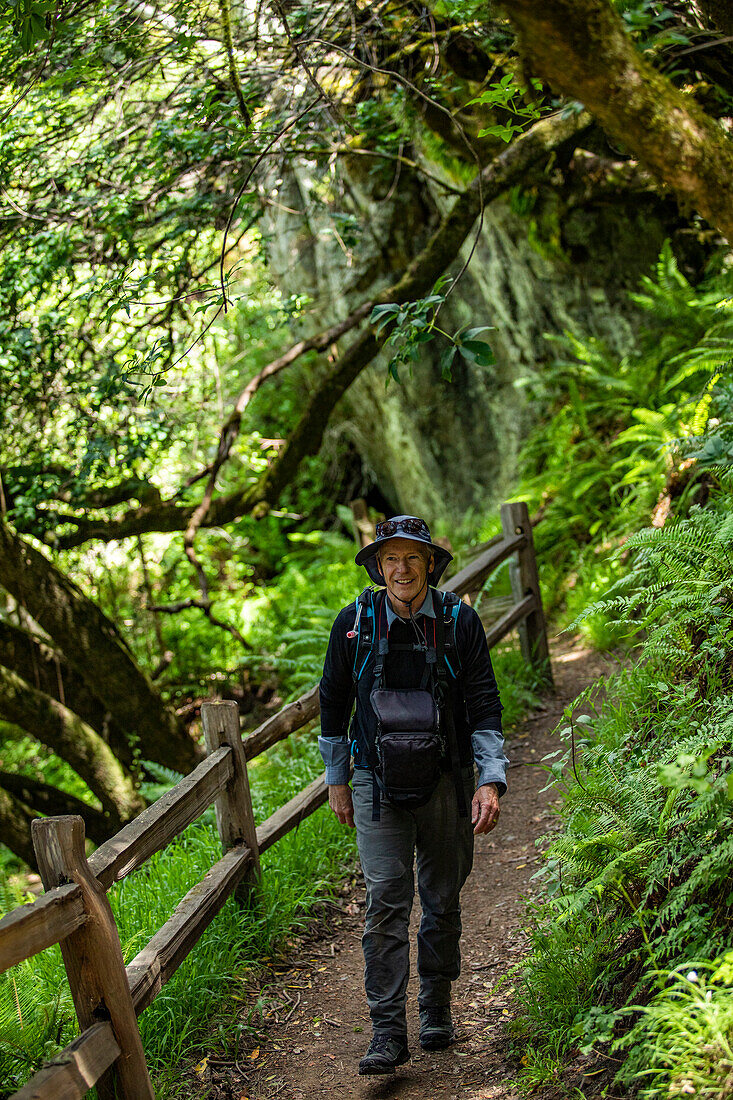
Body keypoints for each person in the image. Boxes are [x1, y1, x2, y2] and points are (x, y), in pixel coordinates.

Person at [319, 515, 506, 1075]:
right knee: (385, 902)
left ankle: (436, 1009)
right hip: (376, 785)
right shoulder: (353, 622)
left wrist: (489, 779)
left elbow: (483, 702)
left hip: (447, 782)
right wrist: (338, 779)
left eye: (412, 558)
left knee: (442, 899)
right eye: (390, 559)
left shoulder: (459, 621)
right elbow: (333, 701)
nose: (401, 569)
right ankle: (386, 1032)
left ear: (430, 565)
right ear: (379, 566)